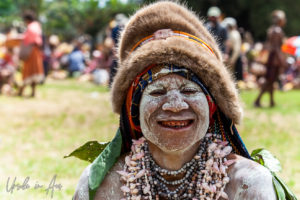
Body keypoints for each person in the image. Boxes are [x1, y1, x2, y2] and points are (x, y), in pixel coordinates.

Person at [73, 2, 283, 199]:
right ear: (134, 111)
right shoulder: (102, 184)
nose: (175, 105)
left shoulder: (249, 184)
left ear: (211, 106)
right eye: (157, 92)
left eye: (190, 91)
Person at [254, 10, 286, 107]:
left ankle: (271, 101)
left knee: (272, 81)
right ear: (280, 20)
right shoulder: (277, 31)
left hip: (272, 59)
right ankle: (257, 100)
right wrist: (281, 61)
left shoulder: (272, 29)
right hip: (274, 60)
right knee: (269, 80)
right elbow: (276, 48)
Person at [18, 11, 44, 97]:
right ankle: (31, 92)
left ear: (27, 20)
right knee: (33, 72)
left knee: (29, 71)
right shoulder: (37, 26)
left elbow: (29, 40)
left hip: (31, 52)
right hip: (35, 51)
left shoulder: (31, 27)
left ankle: (22, 91)